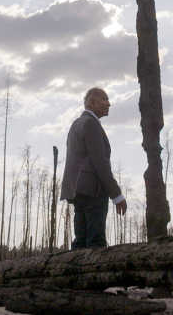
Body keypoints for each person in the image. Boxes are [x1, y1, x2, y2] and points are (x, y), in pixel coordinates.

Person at [60, 87, 127, 248]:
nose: (108, 104)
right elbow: (100, 162)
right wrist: (116, 195)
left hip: (79, 190)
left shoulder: (76, 124)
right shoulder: (90, 123)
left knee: (81, 241)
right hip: (93, 190)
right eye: (104, 99)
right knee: (95, 243)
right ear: (92, 102)